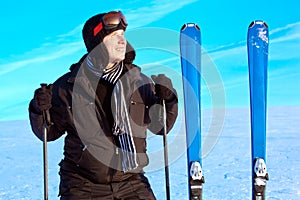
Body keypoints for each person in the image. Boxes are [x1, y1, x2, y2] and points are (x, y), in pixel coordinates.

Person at [29, 10, 178, 199]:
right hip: (82, 183)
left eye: (123, 35)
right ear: (97, 43)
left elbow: (161, 126)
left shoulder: (140, 82)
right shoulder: (68, 87)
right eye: (114, 36)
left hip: (131, 181)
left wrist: (168, 99)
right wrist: (38, 108)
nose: (122, 40)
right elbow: (49, 132)